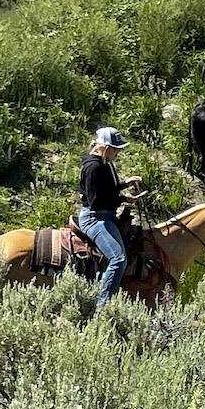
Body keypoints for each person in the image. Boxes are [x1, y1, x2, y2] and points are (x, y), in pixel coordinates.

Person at [77, 126, 143, 305]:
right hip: (95, 218)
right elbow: (96, 202)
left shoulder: (104, 163)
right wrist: (123, 199)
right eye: (116, 149)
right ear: (105, 148)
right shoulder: (93, 168)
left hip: (105, 215)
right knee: (118, 259)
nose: (118, 153)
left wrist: (125, 183)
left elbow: (107, 189)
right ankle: (102, 304)